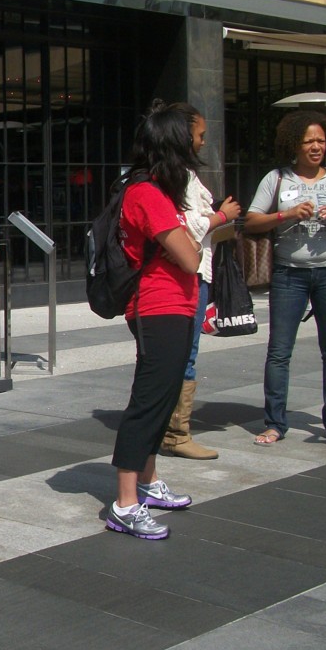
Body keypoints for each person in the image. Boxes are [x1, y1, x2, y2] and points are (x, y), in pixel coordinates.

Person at [104, 101, 201, 540]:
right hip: (156, 307)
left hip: (174, 305)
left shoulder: (155, 190)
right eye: (196, 138)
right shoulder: (146, 193)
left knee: (163, 398)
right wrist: (190, 242)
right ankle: (125, 504)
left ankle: (147, 482)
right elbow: (190, 257)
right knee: (148, 401)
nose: (200, 146)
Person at [244, 110, 326, 446]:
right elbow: (251, 221)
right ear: (294, 144)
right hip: (289, 274)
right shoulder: (277, 178)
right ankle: (275, 423)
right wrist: (287, 214)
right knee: (279, 351)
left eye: (321, 141)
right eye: (309, 141)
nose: (316, 147)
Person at [159, 103, 241, 460]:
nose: (204, 142)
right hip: (187, 275)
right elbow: (186, 225)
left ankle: (172, 429)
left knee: (182, 353)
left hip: (195, 271)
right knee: (184, 354)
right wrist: (222, 215)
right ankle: (175, 433)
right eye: (200, 135)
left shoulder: (182, 175)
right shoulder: (178, 177)